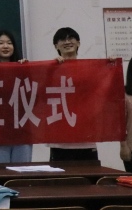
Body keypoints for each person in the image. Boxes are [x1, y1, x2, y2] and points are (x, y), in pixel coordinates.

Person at [48, 27, 98, 163]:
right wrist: (51, 68)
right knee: (61, 175)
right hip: (60, 137)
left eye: (71, 38)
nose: (67, 42)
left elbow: (100, 91)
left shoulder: (90, 69)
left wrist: (110, 64)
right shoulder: (50, 69)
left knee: (90, 175)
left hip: (86, 135)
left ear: (78, 43)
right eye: (62, 39)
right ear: (56, 46)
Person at [0, 31, 32, 164]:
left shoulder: (23, 67)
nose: (5, 46)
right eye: (1, 43)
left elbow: (33, 96)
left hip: (22, 131)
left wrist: (26, 71)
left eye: (9, 43)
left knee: (22, 172)